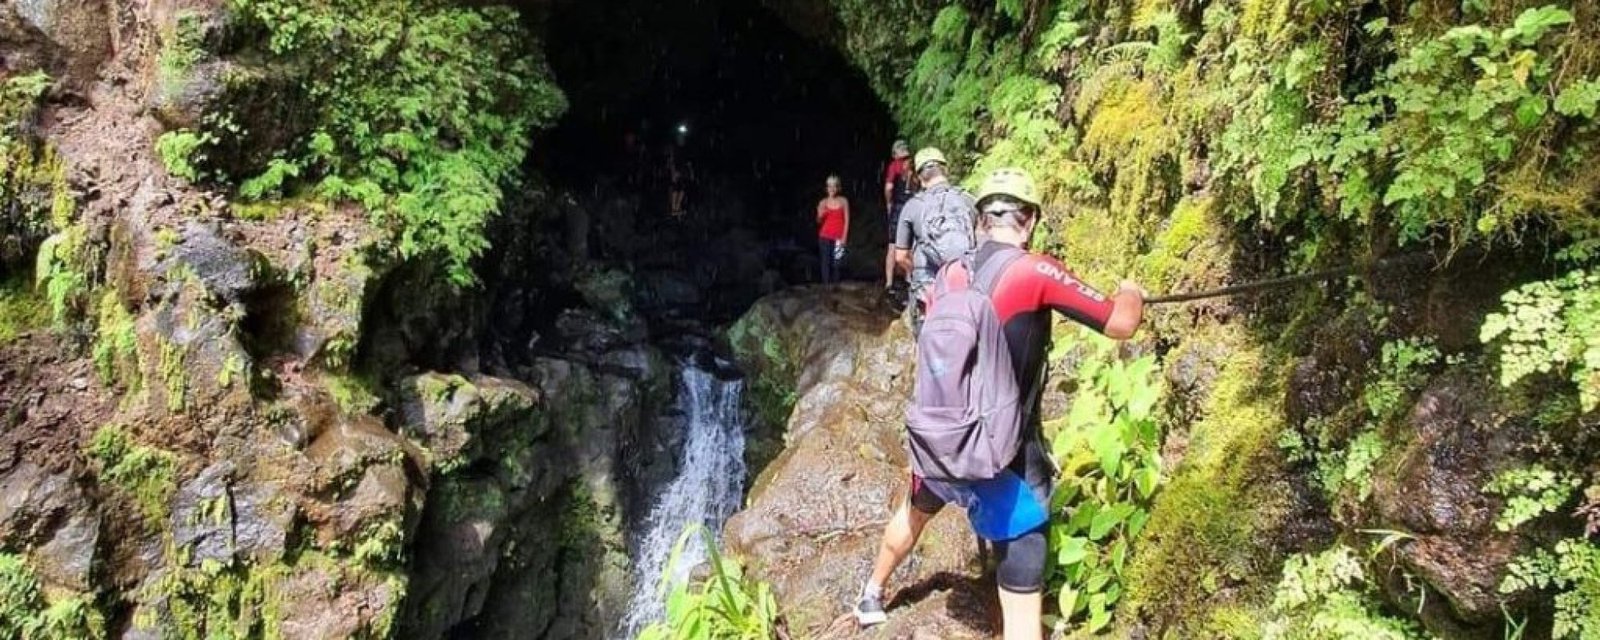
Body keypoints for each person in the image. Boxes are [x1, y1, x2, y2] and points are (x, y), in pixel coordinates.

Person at [855, 168, 1147, 639]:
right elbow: (1119, 322)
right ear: (1028, 220)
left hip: (943, 439)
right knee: (1022, 575)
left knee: (915, 510)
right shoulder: (1034, 270)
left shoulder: (951, 273)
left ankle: (871, 592)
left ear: (979, 219)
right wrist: (1132, 290)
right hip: (1003, 455)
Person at [893, 147, 975, 334]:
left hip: (927, 286)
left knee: (928, 339)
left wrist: (913, 271)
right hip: (964, 285)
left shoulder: (913, 206)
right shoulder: (968, 200)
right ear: (945, 170)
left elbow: (900, 256)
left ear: (919, 178)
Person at [883, 140, 915, 292]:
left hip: (898, 208)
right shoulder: (913, 165)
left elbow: (889, 187)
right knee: (911, 245)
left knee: (892, 246)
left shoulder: (894, 166)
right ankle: (910, 279)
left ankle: (889, 283)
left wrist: (889, 203)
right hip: (912, 207)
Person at [816, 175, 850, 284]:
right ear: (826, 188)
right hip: (825, 236)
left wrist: (844, 236)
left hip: (839, 237)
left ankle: (836, 286)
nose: (832, 189)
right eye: (830, 186)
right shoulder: (823, 202)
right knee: (825, 263)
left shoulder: (843, 201)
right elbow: (818, 221)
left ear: (838, 188)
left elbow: (847, 220)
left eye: (834, 186)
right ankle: (826, 287)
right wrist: (820, 215)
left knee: (837, 264)